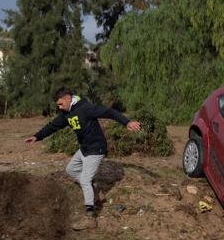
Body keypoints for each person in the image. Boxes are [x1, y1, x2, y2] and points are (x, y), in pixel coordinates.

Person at [25, 87, 141, 230]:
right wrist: (37, 136)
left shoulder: (86, 108)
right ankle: (93, 193)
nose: (59, 107)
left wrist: (127, 122)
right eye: (58, 105)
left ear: (68, 98)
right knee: (71, 169)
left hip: (96, 148)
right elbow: (53, 126)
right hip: (85, 148)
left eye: (61, 103)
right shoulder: (66, 113)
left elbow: (108, 112)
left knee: (85, 180)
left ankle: (90, 217)